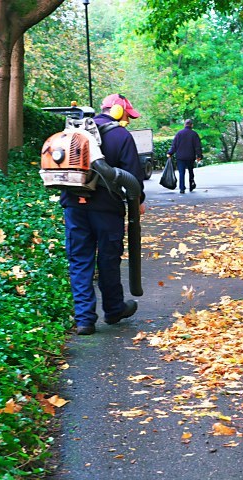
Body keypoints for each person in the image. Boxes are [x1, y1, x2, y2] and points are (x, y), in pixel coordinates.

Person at [60, 93, 146, 335]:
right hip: (107, 209)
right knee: (108, 259)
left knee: (79, 260)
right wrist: (139, 201)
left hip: (74, 206)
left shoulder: (73, 132)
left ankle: (85, 320)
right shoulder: (121, 135)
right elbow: (134, 178)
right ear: (118, 111)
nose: (127, 120)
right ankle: (113, 309)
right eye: (128, 115)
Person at [166, 119, 203, 194]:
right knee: (190, 171)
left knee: (181, 173)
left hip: (180, 157)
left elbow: (174, 145)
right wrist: (199, 156)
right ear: (192, 125)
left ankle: (182, 188)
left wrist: (170, 153)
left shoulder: (179, 133)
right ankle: (191, 185)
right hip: (190, 156)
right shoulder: (194, 134)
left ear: (184, 125)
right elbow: (197, 147)